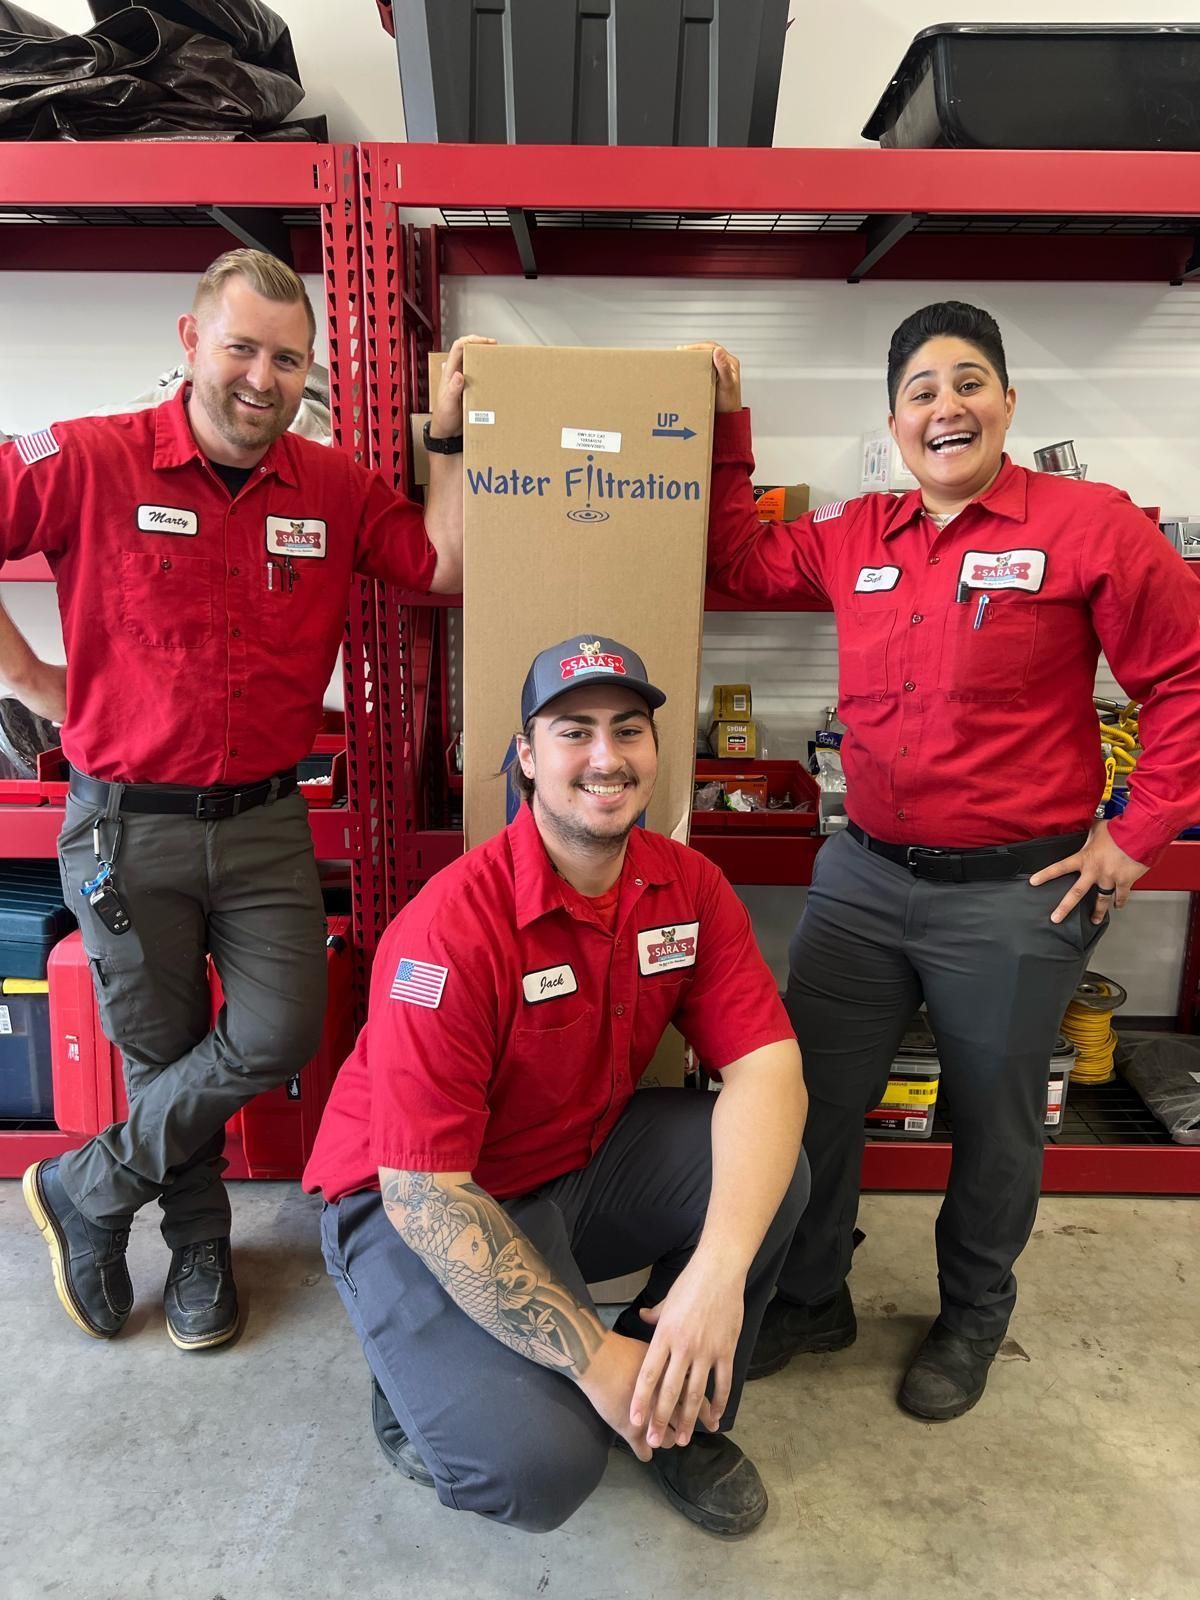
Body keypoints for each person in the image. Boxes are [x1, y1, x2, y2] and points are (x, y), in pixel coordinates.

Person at [694, 301, 1200, 1420]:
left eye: (968, 381)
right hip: (864, 879)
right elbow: (735, 555)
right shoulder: (854, 532)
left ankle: (973, 1316)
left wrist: (1137, 832)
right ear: (894, 422)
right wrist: (732, 427)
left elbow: (1188, 675)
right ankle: (812, 1293)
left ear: (1008, 404)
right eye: (922, 390)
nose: (946, 406)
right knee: (805, 1100)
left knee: (996, 1117)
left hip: (1016, 895)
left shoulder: (1091, 525)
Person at [6, 248, 489, 1351]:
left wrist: (448, 438)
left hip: (268, 822)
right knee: (161, 1048)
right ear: (189, 343)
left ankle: (86, 1182)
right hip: (128, 824)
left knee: (278, 1029)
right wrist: (30, 678)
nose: (262, 378)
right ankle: (199, 1248)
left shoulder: (329, 486)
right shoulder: (89, 457)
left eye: (286, 358)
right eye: (240, 348)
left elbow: (440, 565)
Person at [302, 633, 809, 1535]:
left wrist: (717, 1276)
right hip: (410, 1196)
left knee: (774, 1174)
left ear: (656, 752)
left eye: (628, 730)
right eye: (573, 732)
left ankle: (675, 1409)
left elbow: (768, 1068)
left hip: (571, 1156)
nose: (606, 757)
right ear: (529, 760)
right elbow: (424, 1191)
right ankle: (416, 1381)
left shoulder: (686, 888)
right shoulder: (451, 928)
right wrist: (592, 1358)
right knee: (541, 1467)